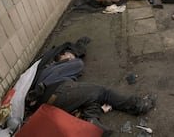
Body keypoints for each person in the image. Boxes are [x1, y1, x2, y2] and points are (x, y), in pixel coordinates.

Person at [26, 41, 156, 137]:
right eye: (68, 55)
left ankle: (92, 122)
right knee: (101, 92)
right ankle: (138, 105)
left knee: (89, 98)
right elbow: (78, 64)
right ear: (62, 56)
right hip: (56, 92)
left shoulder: (44, 73)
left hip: (48, 104)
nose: (71, 57)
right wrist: (70, 59)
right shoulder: (58, 67)